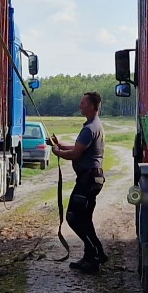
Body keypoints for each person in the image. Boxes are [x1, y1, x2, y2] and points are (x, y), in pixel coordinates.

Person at [47, 92, 109, 273]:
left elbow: (75, 154)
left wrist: (57, 152)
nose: (80, 105)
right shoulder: (93, 125)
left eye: (83, 103)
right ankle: (89, 257)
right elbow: (78, 148)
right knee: (84, 219)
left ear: (92, 106)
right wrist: (59, 144)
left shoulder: (90, 128)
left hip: (88, 179)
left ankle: (97, 253)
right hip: (89, 178)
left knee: (74, 218)